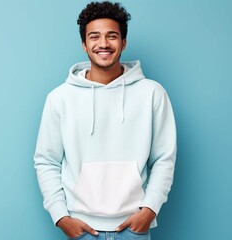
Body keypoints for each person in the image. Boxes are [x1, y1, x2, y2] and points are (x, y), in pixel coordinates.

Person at [34, 1, 177, 239]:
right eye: (94, 37)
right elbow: (46, 160)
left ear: (123, 42)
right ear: (84, 44)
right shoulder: (60, 98)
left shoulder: (152, 93)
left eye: (112, 36)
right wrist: (60, 217)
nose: (103, 44)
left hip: (134, 227)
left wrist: (150, 209)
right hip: (82, 228)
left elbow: (164, 158)